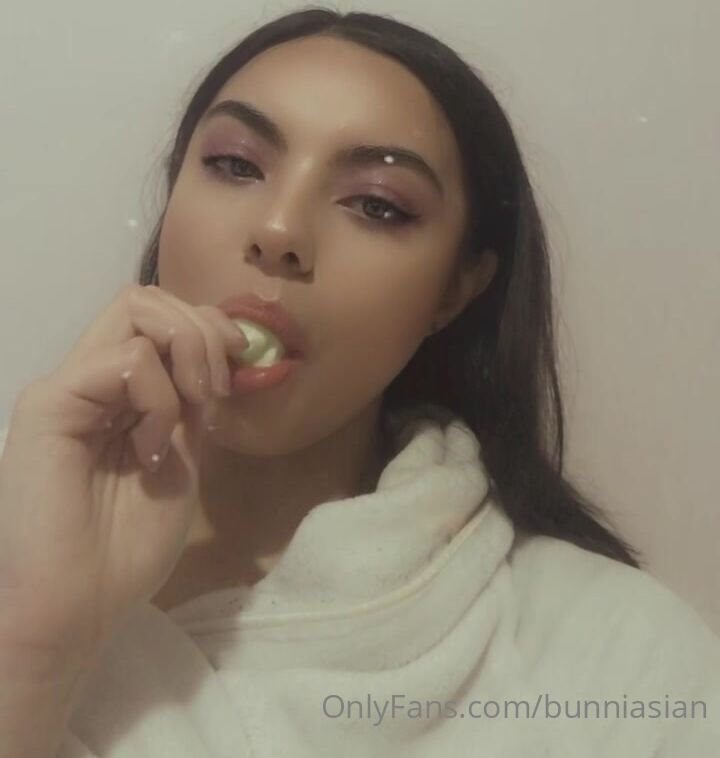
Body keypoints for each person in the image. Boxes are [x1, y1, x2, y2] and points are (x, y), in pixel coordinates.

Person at [0, 8, 717, 757]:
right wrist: (29, 647)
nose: (279, 231)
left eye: (377, 205)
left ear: (456, 289)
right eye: (236, 165)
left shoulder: (621, 665)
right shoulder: (22, 533)